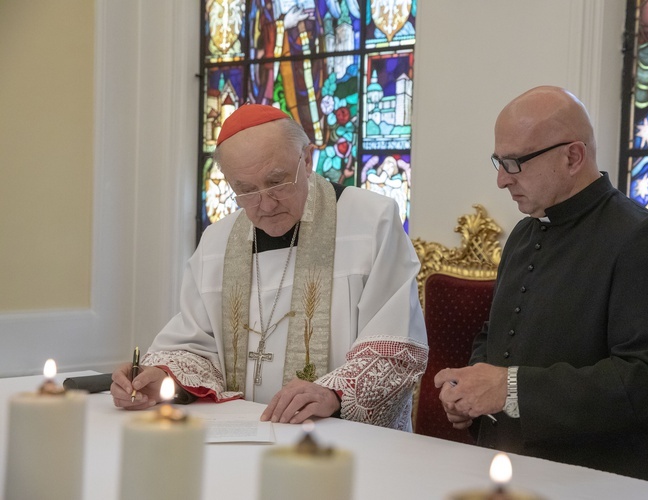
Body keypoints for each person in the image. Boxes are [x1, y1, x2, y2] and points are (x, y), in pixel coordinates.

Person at [435, 86, 648, 485]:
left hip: (606, 477)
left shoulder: (645, 237)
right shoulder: (524, 233)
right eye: (498, 161)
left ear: (573, 156)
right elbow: (496, 334)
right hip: (513, 467)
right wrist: (470, 393)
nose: (502, 179)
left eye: (514, 163)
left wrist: (509, 389)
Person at [110, 104, 428, 431]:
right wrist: (164, 376)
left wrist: (333, 391)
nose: (265, 204)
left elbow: (395, 345)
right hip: (240, 436)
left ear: (307, 160)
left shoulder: (372, 222)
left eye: (276, 182)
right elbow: (196, 346)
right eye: (245, 191)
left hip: (339, 438)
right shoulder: (216, 243)